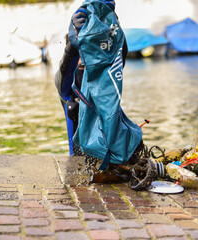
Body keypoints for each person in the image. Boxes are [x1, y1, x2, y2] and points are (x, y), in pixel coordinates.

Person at [54, 0, 143, 168]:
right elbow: (63, 86)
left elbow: (118, 55)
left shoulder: (108, 70)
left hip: (109, 151)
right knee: (73, 105)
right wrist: (74, 43)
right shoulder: (71, 72)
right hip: (81, 156)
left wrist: (113, 26)